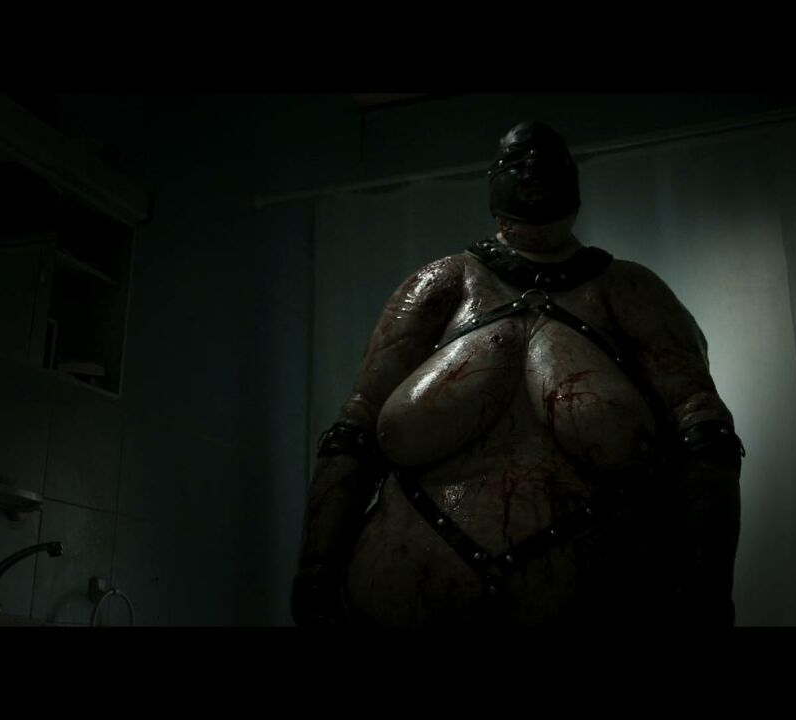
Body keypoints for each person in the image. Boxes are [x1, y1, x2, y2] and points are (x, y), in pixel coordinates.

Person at [293, 121, 744, 627]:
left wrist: (709, 585)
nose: (531, 173)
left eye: (547, 165)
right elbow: (355, 428)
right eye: (517, 164)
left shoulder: (631, 291)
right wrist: (315, 573)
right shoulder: (442, 282)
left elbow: (704, 433)